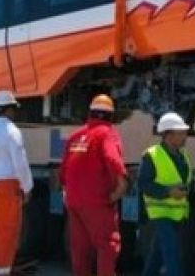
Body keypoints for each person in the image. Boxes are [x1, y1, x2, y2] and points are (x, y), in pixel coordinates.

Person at [59, 94, 129, 276]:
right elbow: (113, 159)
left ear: (90, 113)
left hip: (74, 201)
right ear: (110, 116)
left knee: (80, 249)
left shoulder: (76, 136)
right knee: (107, 245)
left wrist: (68, 192)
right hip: (97, 201)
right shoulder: (107, 133)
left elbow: (63, 170)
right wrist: (120, 187)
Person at [0, 90, 34, 276]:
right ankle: (1, 271)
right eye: (13, 109)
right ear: (7, 110)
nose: (14, 112)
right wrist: (27, 187)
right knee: (6, 231)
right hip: (7, 187)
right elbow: (20, 162)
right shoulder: (12, 131)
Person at [139, 112, 192, 276]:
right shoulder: (151, 155)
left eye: (184, 132)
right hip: (161, 213)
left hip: (178, 214)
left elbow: (183, 179)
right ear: (168, 135)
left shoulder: (183, 156)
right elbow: (144, 184)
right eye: (180, 133)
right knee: (172, 252)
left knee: (157, 254)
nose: (184, 136)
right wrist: (168, 192)